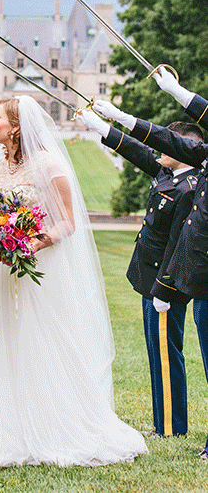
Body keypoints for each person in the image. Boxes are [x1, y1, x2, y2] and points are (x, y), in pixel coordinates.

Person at [0, 96, 146, 466]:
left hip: (36, 269)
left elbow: (68, 222)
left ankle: (52, 424)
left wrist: (26, 244)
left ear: (16, 127)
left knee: (39, 344)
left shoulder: (48, 163)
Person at [95, 71, 208, 461]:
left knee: (172, 352)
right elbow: (148, 148)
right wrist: (108, 125)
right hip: (179, 277)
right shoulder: (176, 169)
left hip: (175, 277)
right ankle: (168, 423)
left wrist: (167, 287)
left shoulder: (191, 180)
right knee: (174, 353)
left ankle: (173, 424)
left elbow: (180, 240)